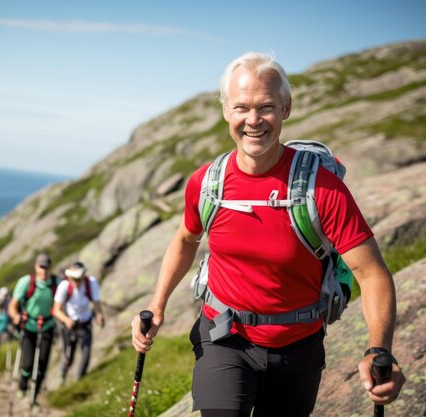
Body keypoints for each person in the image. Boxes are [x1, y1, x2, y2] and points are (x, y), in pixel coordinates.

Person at [131, 52, 406, 417]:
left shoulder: (322, 189)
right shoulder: (207, 183)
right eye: (241, 108)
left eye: (266, 107)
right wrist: (158, 304)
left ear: (286, 108)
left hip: (299, 349)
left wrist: (378, 349)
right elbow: (185, 240)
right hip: (224, 339)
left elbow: (372, 275)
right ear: (226, 111)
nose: (253, 120)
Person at [8, 253, 59, 403]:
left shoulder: (56, 283)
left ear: (50, 268)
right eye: (41, 267)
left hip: (47, 327)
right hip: (29, 327)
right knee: (28, 363)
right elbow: (13, 305)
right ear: (35, 267)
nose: (43, 271)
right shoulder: (26, 282)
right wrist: (15, 316)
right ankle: (23, 384)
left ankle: (34, 397)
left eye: (46, 267)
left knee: (42, 364)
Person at [53, 261, 104, 383]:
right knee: (68, 355)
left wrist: (99, 315)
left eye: (78, 279)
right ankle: (63, 377)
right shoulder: (64, 286)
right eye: (73, 279)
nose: (76, 282)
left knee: (86, 353)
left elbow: (96, 304)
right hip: (69, 326)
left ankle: (79, 380)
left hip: (85, 323)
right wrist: (66, 320)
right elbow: (56, 310)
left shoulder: (91, 283)